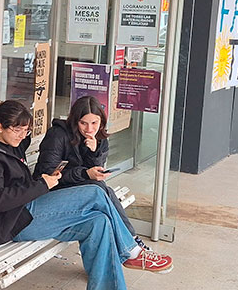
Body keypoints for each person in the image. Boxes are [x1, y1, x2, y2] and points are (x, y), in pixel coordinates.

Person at [0, 99, 173, 290]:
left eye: (25, 129)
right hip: (14, 223)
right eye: (17, 130)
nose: (22, 135)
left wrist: (22, 118)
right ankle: (130, 252)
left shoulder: (10, 143)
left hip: (29, 211)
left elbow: (27, 135)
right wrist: (42, 184)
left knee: (99, 221)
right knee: (96, 192)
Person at [34, 95, 156, 252]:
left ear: (101, 122)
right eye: (83, 123)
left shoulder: (99, 137)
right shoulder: (58, 135)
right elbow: (47, 175)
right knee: (101, 191)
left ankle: (129, 244)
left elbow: (96, 169)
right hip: (53, 193)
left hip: (83, 190)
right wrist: (85, 174)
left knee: (101, 201)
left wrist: (94, 152)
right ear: (74, 120)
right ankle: (131, 241)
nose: (89, 129)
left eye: (94, 123)